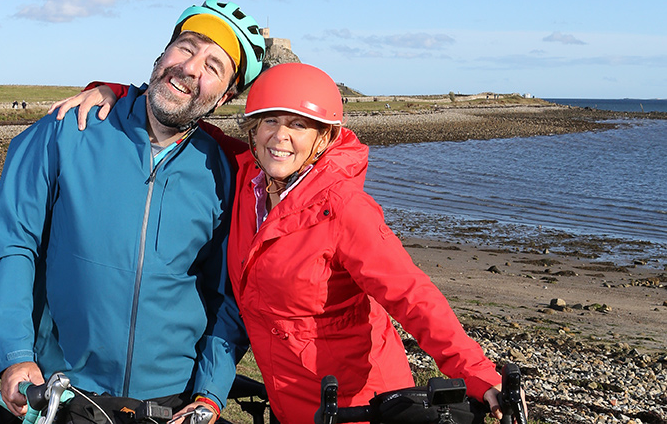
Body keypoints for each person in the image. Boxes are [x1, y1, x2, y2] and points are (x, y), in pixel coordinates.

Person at [54, 64, 524, 424]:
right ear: (253, 130)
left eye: (298, 125)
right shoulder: (247, 178)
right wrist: (117, 94)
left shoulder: (344, 210)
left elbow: (412, 296)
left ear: (324, 137)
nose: (281, 137)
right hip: (289, 404)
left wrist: (475, 371)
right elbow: (179, 115)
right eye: (270, 122)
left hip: (357, 406)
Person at [0, 0, 266, 423]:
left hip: (171, 403)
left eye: (214, 66)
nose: (190, 68)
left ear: (226, 95)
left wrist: (209, 393)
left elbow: (230, 296)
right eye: (187, 47)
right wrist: (16, 354)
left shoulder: (227, 170)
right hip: (64, 389)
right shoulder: (65, 130)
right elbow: (11, 244)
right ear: (162, 54)